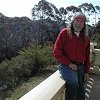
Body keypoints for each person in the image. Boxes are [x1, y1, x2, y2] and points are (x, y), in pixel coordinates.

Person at [53, 12, 90, 100]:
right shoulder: (64, 33)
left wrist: (86, 71)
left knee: (81, 89)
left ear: (84, 24)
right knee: (73, 82)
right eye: (77, 20)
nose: (79, 23)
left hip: (80, 67)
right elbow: (56, 52)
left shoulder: (86, 38)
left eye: (82, 21)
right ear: (73, 21)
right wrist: (69, 64)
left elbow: (88, 56)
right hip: (66, 66)